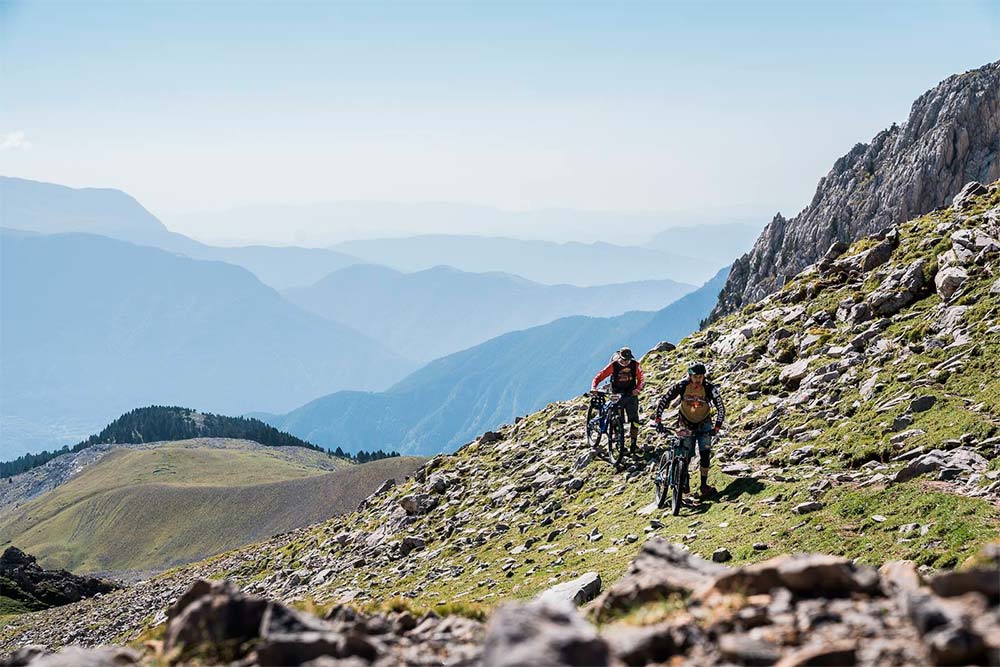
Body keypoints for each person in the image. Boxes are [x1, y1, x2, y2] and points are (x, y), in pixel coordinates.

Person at [653, 362, 725, 498]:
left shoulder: (709, 388)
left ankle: (704, 485)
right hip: (685, 423)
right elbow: (665, 399)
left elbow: (720, 407)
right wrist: (658, 420)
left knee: (705, 453)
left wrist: (717, 427)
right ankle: (683, 481)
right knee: (686, 454)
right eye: (695, 377)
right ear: (690, 376)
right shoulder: (681, 386)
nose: (698, 380)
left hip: (704, 423)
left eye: (701, 377)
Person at [591, 347, 644, 454]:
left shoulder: (635, 365)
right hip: (616, 394)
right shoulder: (613, 365)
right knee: (617, 419)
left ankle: (634, 444)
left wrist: (637, 389)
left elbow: (641, 379)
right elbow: (599, 376)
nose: (626, 362)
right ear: (620, 357)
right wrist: (594, 387)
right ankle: (619, 443)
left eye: (628, 359)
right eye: (624, 359)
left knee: (635, 420)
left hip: (631, 394)